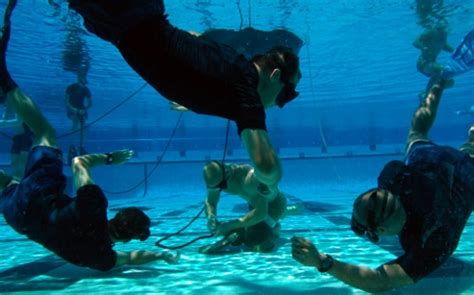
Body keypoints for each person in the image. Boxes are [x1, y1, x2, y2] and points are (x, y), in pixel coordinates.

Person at [0, 0, 179, 271]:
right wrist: (161, 256)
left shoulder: (93, 207)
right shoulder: (100, 258)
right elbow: (129, 259)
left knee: (45, 132)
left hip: (39, 199)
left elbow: (79, 163)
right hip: (20, 218)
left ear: (118, 216)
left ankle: (4, 78)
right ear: (126, 237)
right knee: (11, 184)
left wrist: (111, 158)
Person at [291, 43, 474, 291]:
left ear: (382, 231)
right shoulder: (393, 180)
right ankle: (439, 81)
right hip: (434, 161)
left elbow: (379, 281)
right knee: (417, 133)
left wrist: (322, 262)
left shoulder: (430, 240)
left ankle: (448, 97)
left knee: (459, 153)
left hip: (464, 176)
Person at [68, 0, 301, 195]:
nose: (280, 104)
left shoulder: (235, 66)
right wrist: (269, 186)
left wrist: (192, 100)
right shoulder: (246, 91)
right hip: (126, 15)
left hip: (123, 21)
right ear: (274, 75)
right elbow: (268, 167)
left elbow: (194, 42)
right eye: (286, 95)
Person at [199, 161, 290, 254]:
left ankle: (273, 230)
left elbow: (261, 213)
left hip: (275, 205)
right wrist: (211, 216)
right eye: (214, 187)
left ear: (227, 172)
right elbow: (211, 201)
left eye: (221, 186)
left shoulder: (250, 179)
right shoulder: (218, 179)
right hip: (255, 204)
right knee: (232, 228)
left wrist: (231, 225)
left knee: (253, 239)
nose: (218, 189)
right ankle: (258, 228)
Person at [65, 74, 91, 155]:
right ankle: (71, 147)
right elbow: (66, 102)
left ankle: (81, 147)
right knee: (75, 124)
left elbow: (90, 103)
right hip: (73, 109)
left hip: (81, 109)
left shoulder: (86, 89)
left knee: (83, 127)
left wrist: (84, 110)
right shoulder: (71, 87)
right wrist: (74, 110)